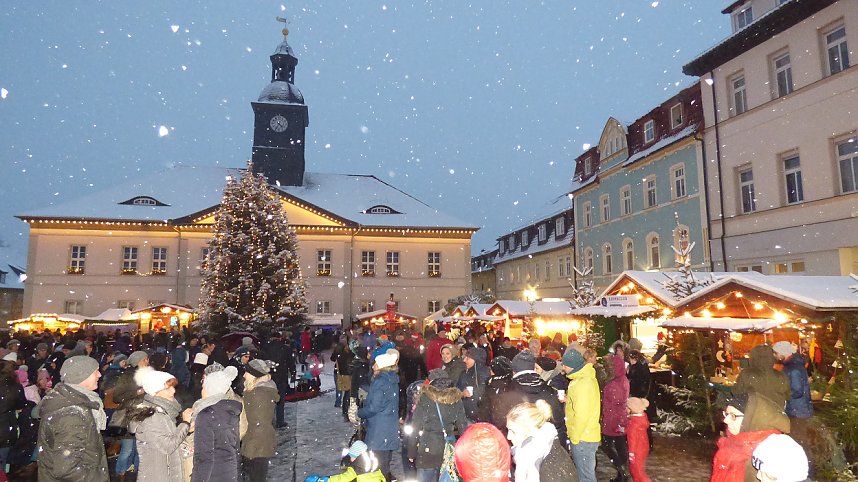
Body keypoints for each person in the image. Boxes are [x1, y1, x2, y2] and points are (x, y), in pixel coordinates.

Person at [37, 355, 110, 481]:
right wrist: (100, 477)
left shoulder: (75, 402)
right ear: (81, 376)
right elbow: (67, 469)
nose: (99, 375)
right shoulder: (72, 415)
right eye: (95, 372)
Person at [128, 367, 192, 482]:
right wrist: (185, 423)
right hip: (158, 476)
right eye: (168, 388)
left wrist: (187, 430)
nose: (173, 391)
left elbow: (166, 437)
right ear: (155, 391)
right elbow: (168, 446)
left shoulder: (163, 411)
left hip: (166, 472)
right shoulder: (153, 416)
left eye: (173, 387)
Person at [407, 371, 470, 481]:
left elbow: (415, 427)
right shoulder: (455, 399)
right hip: (448, 449)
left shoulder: (426, 398)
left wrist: (411, 451)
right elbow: (463, 427)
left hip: (428, 449)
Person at [494, 350, 566, 446]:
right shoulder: (550, 390)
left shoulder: (506, 392)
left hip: (520, 448)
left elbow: (499, 422)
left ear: (514, 371)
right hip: (547, 448)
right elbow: (558, 423)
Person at [710, 393, 780, 482]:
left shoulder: (764, 457)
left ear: (751, 419)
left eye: (733, 416)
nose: (725, 420)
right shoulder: (732, 444)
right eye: (726, 414)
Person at [506, 400, 578, 482]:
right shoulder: (543, 450)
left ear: (531, 430)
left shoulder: (546, 468)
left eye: (513, 431)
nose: (508, 437)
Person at [191, 365, 242, 482]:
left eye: (204, 387)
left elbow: (203, 457)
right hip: (230, 471)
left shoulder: (206, 415)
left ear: (210, 390)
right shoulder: (229, 410)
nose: (202, 390)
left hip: (213, 474)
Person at [357, 348, 401, 480]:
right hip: (388, 427)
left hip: (379, 429)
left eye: (375, 363)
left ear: (382, 366)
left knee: (377, 464)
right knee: (385, 461)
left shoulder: (380, 381)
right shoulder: (392, 379)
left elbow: (375, 407)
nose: (373, 366)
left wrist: (360, 412)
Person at [561, 347, 600, 482]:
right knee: (586, 475)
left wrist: (575, 438)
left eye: (564, 365)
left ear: (571, 366)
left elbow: (581, 415)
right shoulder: (585, 378)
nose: (563, 368)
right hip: (588, 434)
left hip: (583, 437)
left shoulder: (580, 384)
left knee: (586, 477)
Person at [241, 359, 279, 482]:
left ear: (254, 375)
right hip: (261, 441)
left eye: (247, 372)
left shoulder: (257, 394)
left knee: (257, 477)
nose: (244, 375)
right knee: (259, 476)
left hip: (256, 444)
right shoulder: (263, 390)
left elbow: (255, 422)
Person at [602, 347, 631, 482]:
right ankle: (622, 474)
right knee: (620, 445)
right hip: (620, 418)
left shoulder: (614, 383)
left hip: (613, 419)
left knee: (608, 444)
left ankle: (622, 471)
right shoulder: (623, 378)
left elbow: (615, 401)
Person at [304, 440, 385, 482]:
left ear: (357, 456)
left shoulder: (357, 468)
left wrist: (328, 480)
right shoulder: (374, 463)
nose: (351, 459)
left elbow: (343, 479)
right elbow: (381, 475)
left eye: (352, 456)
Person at [0, 360, 24, 470]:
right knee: (2, 462)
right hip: (6, 428)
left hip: (6, 426)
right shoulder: (16, 387)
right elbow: (21, 404)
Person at [457, 346, 489, 422]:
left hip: (479, 418)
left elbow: (486, 390)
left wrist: (473, 392)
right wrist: (462, 393)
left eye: (467, 358)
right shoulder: (464, 373)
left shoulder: (484, 373)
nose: (464, 360)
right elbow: (457, 388)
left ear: (476, 360)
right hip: (465, 416)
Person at [479, 355, 513, 427]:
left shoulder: (492, 384)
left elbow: (484, 405)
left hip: (494, 425)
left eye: (491, 369)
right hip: (504, 424)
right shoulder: (511, 382)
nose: (490, 371)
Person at [626, 397, 652, 482]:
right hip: (643, 448)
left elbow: (632, 439)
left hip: (636, 451)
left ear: (632, 409)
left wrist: (631, 454)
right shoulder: (642, 418)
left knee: (637, 472)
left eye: (627, 407)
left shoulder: (633, 423)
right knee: (639, 470)